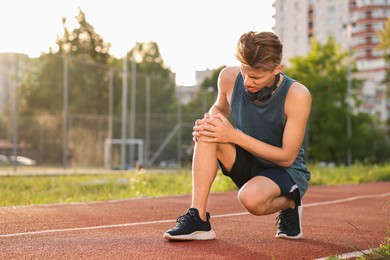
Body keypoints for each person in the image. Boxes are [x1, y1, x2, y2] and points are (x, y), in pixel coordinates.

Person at [163, 31, 311, 241]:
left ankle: (290, 203)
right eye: (245, 72)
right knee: (209, 131)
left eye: (256, 77)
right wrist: (209, 121)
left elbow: (286, 156)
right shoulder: (228, 77)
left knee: (251, 200)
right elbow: (219, 108)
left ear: (278, 69)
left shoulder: (297, 95)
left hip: (284, 170)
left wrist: (233, 135)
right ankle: (199, 219)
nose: (248, 81)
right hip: (248, 159)